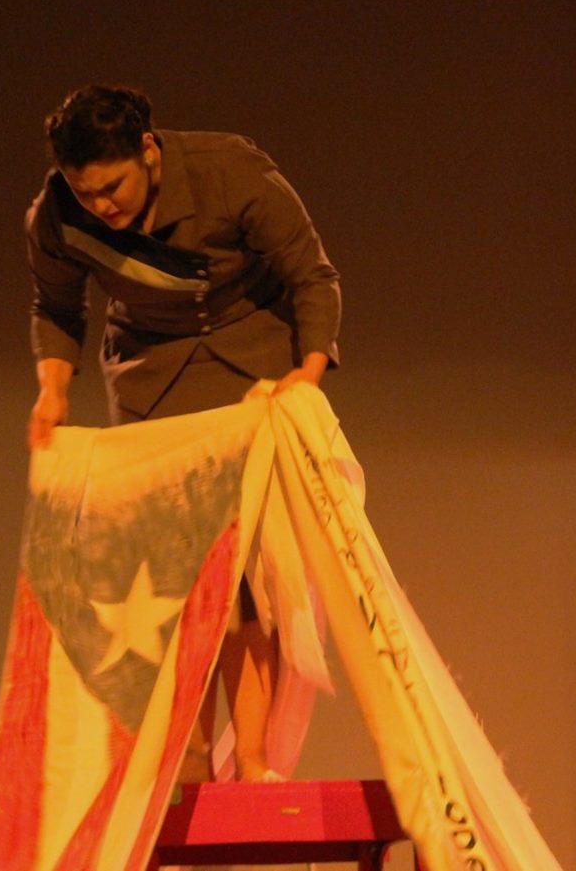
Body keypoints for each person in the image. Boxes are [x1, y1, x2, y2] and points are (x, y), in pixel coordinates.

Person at [24, 84, 341, 783]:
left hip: (251, 372)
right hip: (152, 383)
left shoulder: (228, 170)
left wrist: (308, 375)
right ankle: (187, 758)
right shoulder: (59, 213)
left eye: (112, 187)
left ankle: (250, 757)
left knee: (245, 583)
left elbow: (311, 276)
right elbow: (57, 305)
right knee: (171, 584)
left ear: (148, 148)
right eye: (84, 192)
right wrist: (53, 390)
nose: (100, 206)